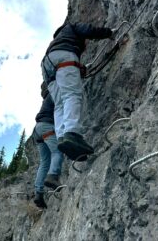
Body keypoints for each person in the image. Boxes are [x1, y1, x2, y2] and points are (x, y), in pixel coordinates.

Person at [41, 20, 114, 160]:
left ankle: (62, 137)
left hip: (47, 65)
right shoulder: (71, 27)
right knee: (72, 94)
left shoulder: (55, 42)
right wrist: (108, 33)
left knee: (59, 104)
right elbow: (87, 29)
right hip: (64, 54)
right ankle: (72, 133)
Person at [32, 81, 64, 209]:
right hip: (46, 126)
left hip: (37, 130)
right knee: (57, 151)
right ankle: (53, 176)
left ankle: (38, 193)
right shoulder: (54, 93)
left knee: (44, 162)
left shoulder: (45, 99)